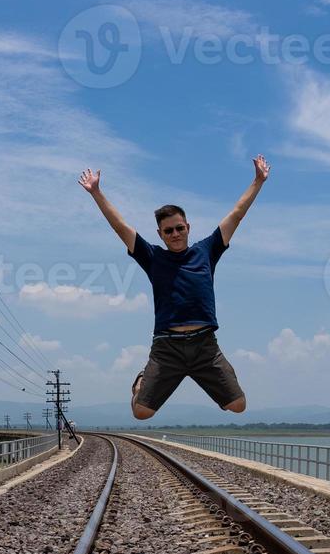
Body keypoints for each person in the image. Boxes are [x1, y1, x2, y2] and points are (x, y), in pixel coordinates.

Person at [78, 155, 271, 420]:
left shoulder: (206, 251)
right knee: (141, 413)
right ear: (160, 234)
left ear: (188, 227)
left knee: (238, 406)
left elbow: (236, 215)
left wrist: (258, 181)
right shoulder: (153, 257)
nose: (175, 234)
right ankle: (140, 383)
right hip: (167, 347)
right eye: (168, 231)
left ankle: (223, 376)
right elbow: (120, 227)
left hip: (205, 345)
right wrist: (97, 193)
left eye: (179, 228)